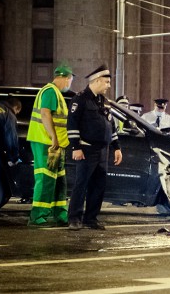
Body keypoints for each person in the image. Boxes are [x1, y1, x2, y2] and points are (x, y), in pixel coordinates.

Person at [67, 64, 122, 230]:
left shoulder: (103, 101)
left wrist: (116, 147)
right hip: (86, 149)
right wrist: (75, 147)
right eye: (106, 82)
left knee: (98, 186)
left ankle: (91, 218)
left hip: (102, 151)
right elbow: (72, 124)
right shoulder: (80, 99)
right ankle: (74, 218)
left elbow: (110, 126)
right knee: (81, 184)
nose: (109, 85)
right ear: (97, 81)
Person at [26, 63, 74, 227]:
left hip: (55, 144)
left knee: (58, 180)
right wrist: (53, 137)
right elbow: (45, 114)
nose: (70, 83)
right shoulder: (50, 92)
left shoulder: (55, 93)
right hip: (46, 143)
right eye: (70, 80)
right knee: (45, 178)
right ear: (66, 78)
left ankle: (59, 213)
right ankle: (37, 215)